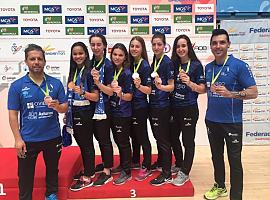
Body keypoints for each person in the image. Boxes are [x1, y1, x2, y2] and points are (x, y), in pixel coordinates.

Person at [8, 44, 68, 200]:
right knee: (25, 176)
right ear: (26, 62)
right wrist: (17, 139)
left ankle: (51, 196)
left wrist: (57, 106)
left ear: (44, 61)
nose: (36, 62)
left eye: (39, 59)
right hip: (28, 140)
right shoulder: (17, 86)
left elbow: (64, 108)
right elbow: (13, 114)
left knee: (52, 171)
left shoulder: (55, 83)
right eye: (32, 59)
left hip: (52, 137)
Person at [204, 29, 258, 200]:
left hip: (232, 123)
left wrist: (232, 94)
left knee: (234, 162)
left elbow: (254, 92)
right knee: (216, 158)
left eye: (221, 42)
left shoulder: (239, 66)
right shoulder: (208, 67)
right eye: (214, 43)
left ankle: (236, 196)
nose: (218, 46)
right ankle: (220, 187)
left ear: (228, 44)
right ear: (211, 46)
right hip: (212, 121)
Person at [170, 34, 206, 186]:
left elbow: (203, 89)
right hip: (174, 108)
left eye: (183, 46)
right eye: (178, 46)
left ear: (189, 47)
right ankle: (179, 163)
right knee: (172, 137)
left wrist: (190, 82)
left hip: (189, 109)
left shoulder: (196, 65)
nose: (180, 49)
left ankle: (185, 172)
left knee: (188, 141)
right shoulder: (173, 63)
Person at [67, 42, 99, 191]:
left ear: (86, 54)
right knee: (81, 142)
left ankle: (89, 175)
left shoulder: (89, 72)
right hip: (74, 111)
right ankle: (88, 168)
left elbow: (96, 97)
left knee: (86, 144)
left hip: (86, 111)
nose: (78, 56)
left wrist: (82, 93)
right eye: (75, 54)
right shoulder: (73, 71)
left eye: (80, 53)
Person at [148, 32, 174, 186]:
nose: (156, 47)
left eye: (159, 44)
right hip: (153, 104)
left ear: (164, 46)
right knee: (158, 137)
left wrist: (160, 86)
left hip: (163, 106)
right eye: (154, 44)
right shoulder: (154, 61)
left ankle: (166, 172)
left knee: (163, 139)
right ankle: (161, 162)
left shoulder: (167, 62)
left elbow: (171, 86)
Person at [89, 34, 114, 186]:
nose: (96, 47)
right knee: (98, 137)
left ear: (104, 46)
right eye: (93, 44)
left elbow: (111, 91)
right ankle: (105, 161)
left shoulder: (109, 65)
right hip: (90, 106)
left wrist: (98, 83)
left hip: (104, 107)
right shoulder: (89, 62)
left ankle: (107, 170)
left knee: (104, 139)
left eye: (99, 44)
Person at [129, 36, 152, 181]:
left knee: (142, 135)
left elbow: (149, 90)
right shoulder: (130, 64)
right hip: (129, 105)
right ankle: (135, 160)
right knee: (133, 135)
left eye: (137, 46)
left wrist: (139, 86)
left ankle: (147, 165)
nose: (134, 49)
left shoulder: (144, 66)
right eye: (132, 46)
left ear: (142, 48)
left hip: (141, 106)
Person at [109, 43, 133, 185]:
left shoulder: (126, 73)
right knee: (118, 141)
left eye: (120, 55)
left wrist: (120, 94)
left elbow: (129, 96)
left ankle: (127, 171)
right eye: (115, 54)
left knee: (123, 142)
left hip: (123, 113)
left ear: (125, 57)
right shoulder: (112, 70)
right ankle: (123, 165)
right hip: (113, 110)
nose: (117, 57)